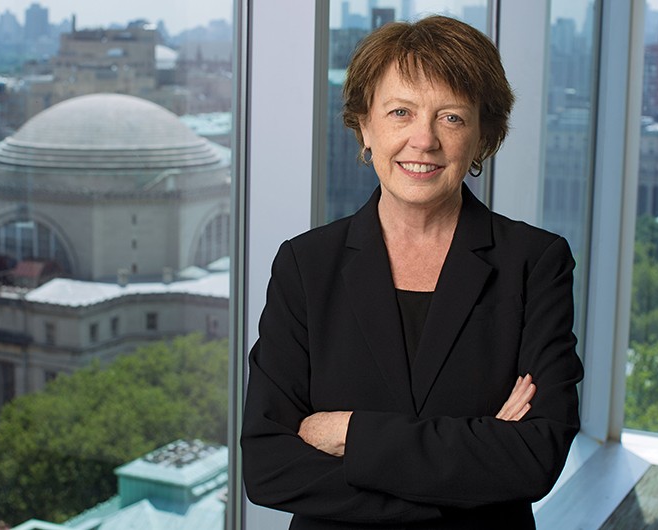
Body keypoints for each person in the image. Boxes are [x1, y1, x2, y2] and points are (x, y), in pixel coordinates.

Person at [241, 15, 584, 530]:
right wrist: (468, 474)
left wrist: (349, 432)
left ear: (482, 136)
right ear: (364, 125)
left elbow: (535, 457)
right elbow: (268, 467)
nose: (423, 140)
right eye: (400, 112)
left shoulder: (535, 263)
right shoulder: (306, 264)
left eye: (451, 118)